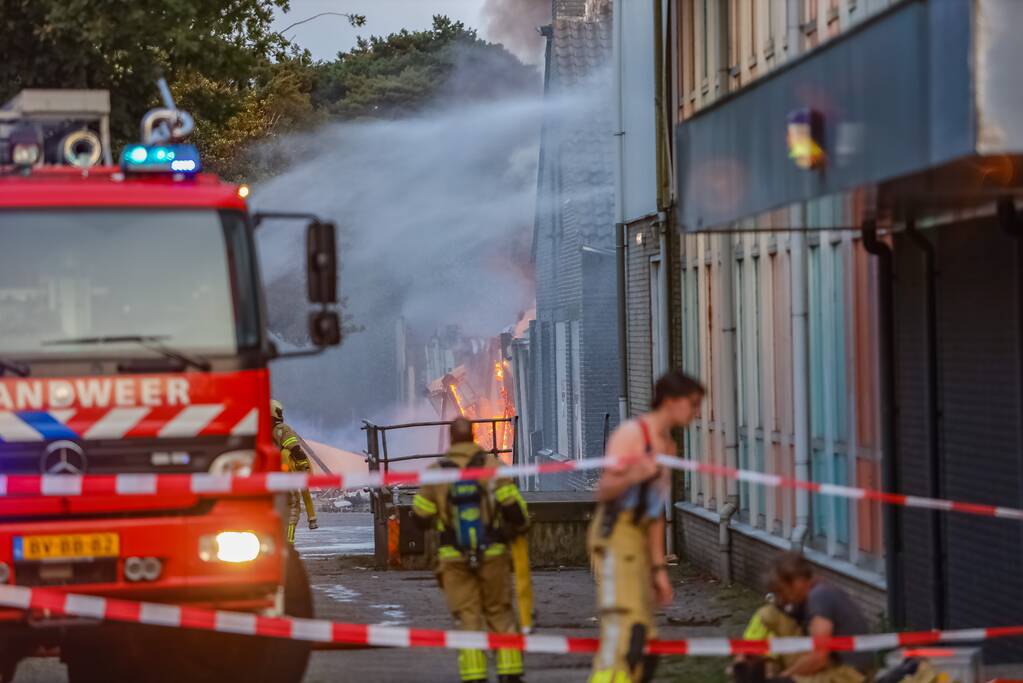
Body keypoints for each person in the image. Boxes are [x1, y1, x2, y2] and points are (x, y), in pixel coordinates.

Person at [588, 370, 706, 683]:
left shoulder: (667, 447)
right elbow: (604, 490)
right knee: (624, 632)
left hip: (640, 536)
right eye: (692, 404)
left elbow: (655, 513)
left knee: (645, 638)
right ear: (671, 401)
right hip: (616, 534)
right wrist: (634, 474)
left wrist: (659, 570)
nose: (697, 413)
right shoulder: (632, 435)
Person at [412, 417, 530, 683]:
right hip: (493, 553)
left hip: (454, 557)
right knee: (499, 611)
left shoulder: (437, 472)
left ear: (450, 438)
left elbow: (419, 516)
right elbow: (517, 514)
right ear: (474, 435)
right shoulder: (492, 466)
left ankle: (474, 676)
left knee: (467, 616)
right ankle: (510, 672)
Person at [762, 552, 873, 683]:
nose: (783, 599)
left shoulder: (818, 597)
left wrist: (785, 675)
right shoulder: (824, 591)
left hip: (848, 675)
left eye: (781, 591)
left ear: (797, 582)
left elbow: (819, 657)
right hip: (851, 669)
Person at [270, 399, 318, 544]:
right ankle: (289, 541)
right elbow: (296, 450)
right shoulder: (283, 429)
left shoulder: (262, 431)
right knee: (293, 507)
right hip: (288, 476)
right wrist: (304, 465)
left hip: (270, 479)